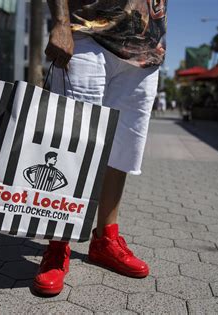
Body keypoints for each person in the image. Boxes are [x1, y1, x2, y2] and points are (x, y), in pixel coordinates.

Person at [33, 0, 167, 295]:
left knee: (123, 147)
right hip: (86, 32)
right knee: (72, 145)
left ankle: (105, 239)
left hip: (145, 47)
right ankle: (58, 244)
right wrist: (60, 22)